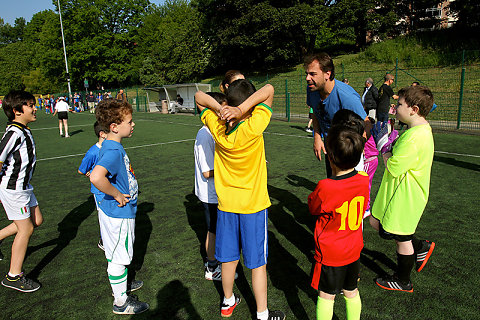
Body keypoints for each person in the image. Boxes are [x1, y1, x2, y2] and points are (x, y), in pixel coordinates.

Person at [195, 80, 285, 320]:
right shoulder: (254, 126)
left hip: (226, 207)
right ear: (248, 106)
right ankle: (263, 313)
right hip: (253, 206)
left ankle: (227, 301)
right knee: (257, 264)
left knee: (228, 259)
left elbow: (199, 96)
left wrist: (220, 108)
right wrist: (242, 108)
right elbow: (269, 90)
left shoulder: (218, 128)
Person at [369, 85, 436, 292]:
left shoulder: (415, 137)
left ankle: (403, 280)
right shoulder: (418, 130)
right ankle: (421, 247)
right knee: (376, 222)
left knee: (401, 237)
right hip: (401, 192)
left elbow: (394, 166)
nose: (395, 107)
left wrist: (383, 147)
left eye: (399, 104)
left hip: (405, 195)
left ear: (413, 109)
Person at [90, 99, 148, 314]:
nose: (133, 125)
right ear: (114, 127)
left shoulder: (110, 145)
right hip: (118, 213)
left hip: (115, 212)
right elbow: (96, 177)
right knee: (118, 257)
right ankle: (121, 302)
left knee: (117, 254)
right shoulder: (113, 150)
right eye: (129, 122)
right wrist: (116, 193)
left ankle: (121, 288)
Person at [308, 124, 368, 320]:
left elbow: (313, 207)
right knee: (351, 291)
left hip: (331, 253)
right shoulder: (363, 179)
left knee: (326, 296)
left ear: (330, 156)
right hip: (353, 249)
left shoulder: (326, 186)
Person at [0, 90, 44, 292]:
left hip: (25, 187)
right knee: (26, 229)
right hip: (13, 189)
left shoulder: (23, 129)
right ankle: (13, 276)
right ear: (17, 110)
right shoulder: (14, 133)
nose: (35, 108)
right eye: (30, 105)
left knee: (36, 221)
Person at [304, 52, 367, 178]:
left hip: (348, 153)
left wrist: (354, 149)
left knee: (349, 193)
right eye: (307, 74)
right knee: (333, 187)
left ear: (327, 74)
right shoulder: (312, 89)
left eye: (313, 74)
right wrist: (317, 137)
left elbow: (366, 123)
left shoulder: (347, 97)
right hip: (331, 148)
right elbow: (316, 112)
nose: (307, 78)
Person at [194, 92, 234, 281]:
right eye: (222, 108)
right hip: (210, 193)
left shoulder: (212, 132)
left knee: (217, 229)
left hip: (215, 191)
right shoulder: (205, 135)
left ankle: (215, 263)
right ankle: (211, 267)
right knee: (213, 230)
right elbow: (207, 172)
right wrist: (235, 168)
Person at [78, 121, 107, 250]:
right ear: (102, 134)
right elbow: (81, 170)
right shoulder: (93, 152)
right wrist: (91, 174)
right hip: (99, 191)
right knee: (103, 216)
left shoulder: (110, 148)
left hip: (110, 188)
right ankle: (103, 241)